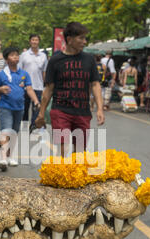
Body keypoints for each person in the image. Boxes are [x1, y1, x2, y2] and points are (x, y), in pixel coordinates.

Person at [35, 22, 105, 157]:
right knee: (64, 148)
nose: (84, 42)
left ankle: (74, 176)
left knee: (79, 152)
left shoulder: (89, 59)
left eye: (85, 38)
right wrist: (41, 113)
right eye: (81, 38)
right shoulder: (55, 60)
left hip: (82, 112)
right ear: (69, 39)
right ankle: (62, 175)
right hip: (61, 110)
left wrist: (100, 109)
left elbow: (95, 84)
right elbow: (49, 89)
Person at [0, 47, 41, 171]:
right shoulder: (1, 74)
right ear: (6, 59)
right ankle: (3, 157)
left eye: (16, 55)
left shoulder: (24, 74)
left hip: (19, 108)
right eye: (12, 55)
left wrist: (36, 101)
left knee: (14, 132)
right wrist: (0, 89)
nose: (15, 57)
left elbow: (29, 89)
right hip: (6, 107)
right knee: (6, 131)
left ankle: (10, 156)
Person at [19, 34, 48, 129]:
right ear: (30, 41)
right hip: (25, 86)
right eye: (33, 40)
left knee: (36, 108)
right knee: (24, 109)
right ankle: (24, 126)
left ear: (39, 42)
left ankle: (33, 127)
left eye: (36, 40)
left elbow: (44, 72)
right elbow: (19, 70)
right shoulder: (24, 55)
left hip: (38, 86)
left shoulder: (43, 56)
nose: (34, 42)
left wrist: (45, 86)